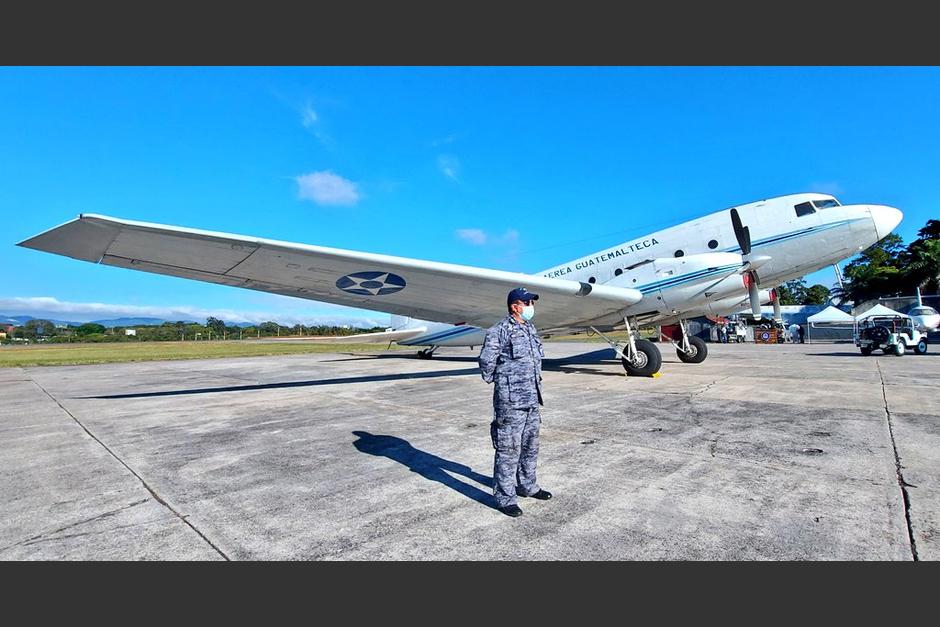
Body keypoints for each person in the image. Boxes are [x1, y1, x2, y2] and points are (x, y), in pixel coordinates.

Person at [478, 287, 552, 517]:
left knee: (530, 447)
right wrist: (501, 382)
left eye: (532, 302)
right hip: (510, 402)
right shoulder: (499, 330)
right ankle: (505, 497)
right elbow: (486, 362)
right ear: (515, 306)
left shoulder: (530, 328)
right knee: (508, 450)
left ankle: (528, 486)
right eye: (527, 302)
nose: (531, 306)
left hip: (532, 398)